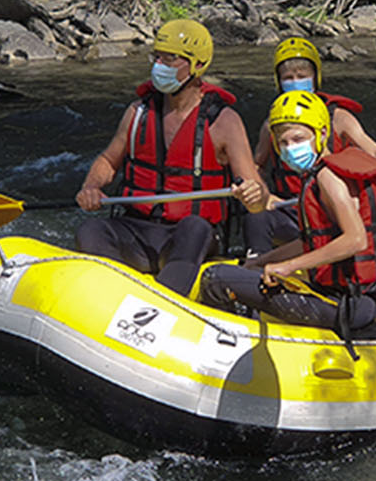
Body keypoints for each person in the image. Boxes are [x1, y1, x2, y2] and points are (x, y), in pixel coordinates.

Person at [74, 19, 266, 295]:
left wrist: (253, 195)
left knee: (195, 227)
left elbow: (255, 193)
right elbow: (107, 161)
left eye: (170, 59)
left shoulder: (223, 121)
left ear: (197, 65)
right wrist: (91, 187)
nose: (159, 65)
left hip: (188, 236)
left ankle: (165, 302)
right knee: (90, 230)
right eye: (157, 57)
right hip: (136, 228)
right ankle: (113, 297)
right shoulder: (138, 112)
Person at [200, 90, 376, 336]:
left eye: (298, 139)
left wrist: (287, 267)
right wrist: (262, 262)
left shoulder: (328, 178)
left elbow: (356, 239)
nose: (290, 148)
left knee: (216, 277)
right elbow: (310, 242)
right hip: (352, 298)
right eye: (283, 143)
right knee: (245, 270)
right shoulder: (316, 176)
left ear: (322, 134)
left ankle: (224, 344)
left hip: (347, 304)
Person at [246, 36, 376, 258]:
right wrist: (263, 195)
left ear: (316, 78)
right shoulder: (274, 124)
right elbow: (258, 164)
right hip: (290, 207)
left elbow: (372, 150)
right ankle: (255, 265)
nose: (296, 82)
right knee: (256, 218)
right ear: (279, 82)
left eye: (302, 76)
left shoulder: (338, 117)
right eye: (288, 78)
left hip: (332, 211)